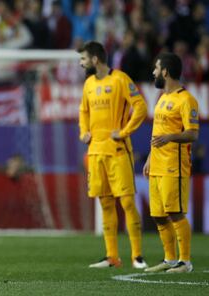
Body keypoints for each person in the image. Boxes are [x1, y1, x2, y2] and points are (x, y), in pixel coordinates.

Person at [78, 41, 148, 269]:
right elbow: (83, 111)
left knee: (127, 201)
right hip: (96, 152)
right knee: (105, 203)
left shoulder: (120, 79)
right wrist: (84, 132)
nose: (81, 63)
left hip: (118, 151)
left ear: (95, 59)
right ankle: (112, 257)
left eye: (83, 59)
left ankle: (137, 256)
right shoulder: (88, 84)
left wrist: (126, 131)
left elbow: (140, 106)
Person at [143, 53, 199, 273]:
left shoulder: (186, 100)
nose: (154, 72)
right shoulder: (162, 98)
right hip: (157, 164)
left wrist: (170, 138)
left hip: (174, 165)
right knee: (157, 214)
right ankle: (169, 259)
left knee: (175, 213)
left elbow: (193, 134)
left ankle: (185, 262)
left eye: (156, 68)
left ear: (165, 72)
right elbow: (159, 133)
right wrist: (149, 157)